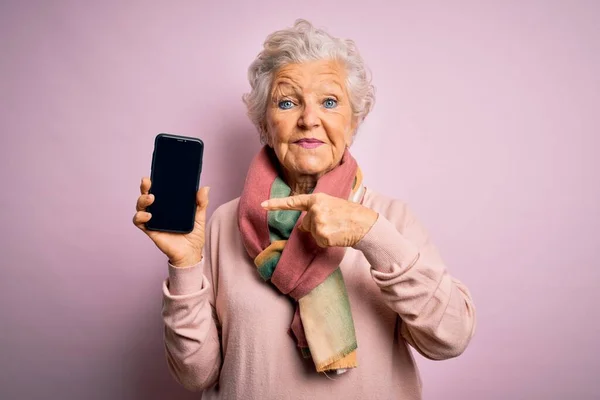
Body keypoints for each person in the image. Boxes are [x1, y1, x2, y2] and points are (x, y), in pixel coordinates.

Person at [133, 19, 476, 400]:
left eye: (329, 102)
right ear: (265, 123)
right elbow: (195, 374)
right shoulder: (223, 225)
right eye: (287, 101)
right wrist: (184, 266)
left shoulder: (388, 219)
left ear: (354, 121)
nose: (309, 118)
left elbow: (450, 338)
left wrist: (371, 235)